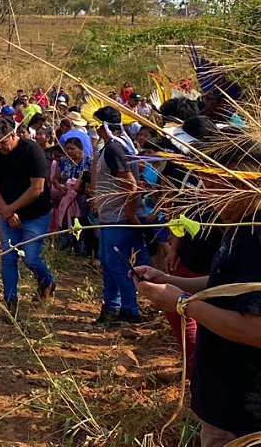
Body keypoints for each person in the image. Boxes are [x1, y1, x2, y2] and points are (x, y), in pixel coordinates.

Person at [132, 136, 261, 445]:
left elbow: (255, 329)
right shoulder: (240, 227)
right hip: (220, 397)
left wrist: (181, 304)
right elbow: (225, 287)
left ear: (245, 183)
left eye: (214, 185)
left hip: (243, 411)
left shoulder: (257, 239)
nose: (206, 195)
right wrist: (169, 280)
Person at [0, 118, 56, 316]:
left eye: (3, 141)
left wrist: (11, 209)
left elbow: (37, 187)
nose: (0, 146)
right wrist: (6, 211)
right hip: (8, 213)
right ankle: (10, 303)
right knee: (8, 257)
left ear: (13, 135)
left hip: (36, 213)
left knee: (30, 258)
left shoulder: (32, 151)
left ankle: (47, 282)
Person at [91, 106, 148, 324]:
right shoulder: (110, 147)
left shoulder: (115, 148)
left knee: (116, 265)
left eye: (98, 124)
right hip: (109, 217)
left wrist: (129, 213)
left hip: (119, 218)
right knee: (108, 262)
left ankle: (130, 310)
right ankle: (112, 308)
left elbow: (131, 186)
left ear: (104, 127)